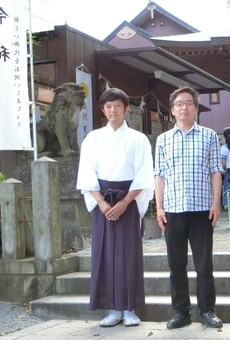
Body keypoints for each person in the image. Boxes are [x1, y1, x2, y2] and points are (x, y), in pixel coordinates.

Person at [76, 88, 154, 327]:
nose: (113, 110)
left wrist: (124, 202)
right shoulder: (93, 138)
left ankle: (130, 308)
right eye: (108, 106)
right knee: (105, 253)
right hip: (102, 200)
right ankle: (113, 308)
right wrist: (101, 202)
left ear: (126, 109)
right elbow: (87, 174)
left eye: (118, 106)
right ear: (103, 110)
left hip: (128, 198)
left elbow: (143, 176)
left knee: (129, 254)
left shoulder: (138, 139)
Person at [154, 86, 223, 329]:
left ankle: (207, 310)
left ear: (195, 107)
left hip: (202, 209)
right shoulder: (163, 140)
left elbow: (216, 171)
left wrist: (216, 203)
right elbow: (159, 176)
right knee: (176, 265)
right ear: (172, 110)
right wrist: (159, 208)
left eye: (188, 103)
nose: (184, 107)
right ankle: (181, 312)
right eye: (179, 104)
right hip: (173, 211)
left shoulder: (209, 136)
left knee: (204, 264)